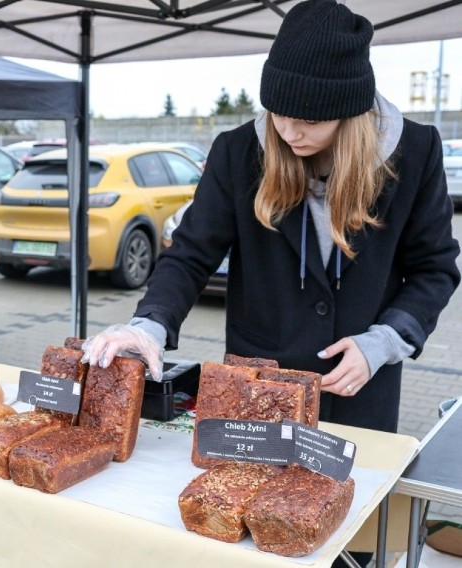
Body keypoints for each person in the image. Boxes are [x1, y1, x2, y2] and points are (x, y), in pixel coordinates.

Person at [84, 3, 460, 562]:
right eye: (279, 113)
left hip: (357, 395)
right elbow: (188, 255)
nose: (288, 130)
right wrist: (149, 327)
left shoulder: (418, 151)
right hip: (255, 397)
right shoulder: (239, 151)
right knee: (248, 544)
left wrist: (381, 342)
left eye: (308, 118)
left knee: (347, 546)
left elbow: (435, 268)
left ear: (349, 112)